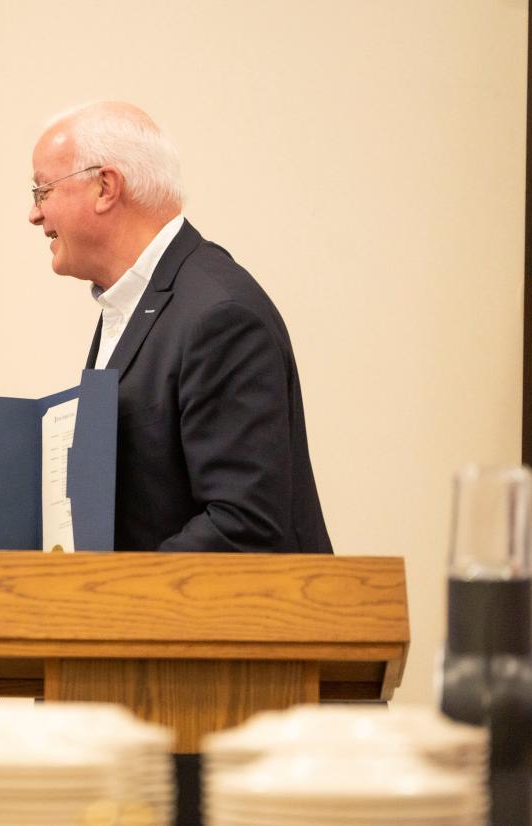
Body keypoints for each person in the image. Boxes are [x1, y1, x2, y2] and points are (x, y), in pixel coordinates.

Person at [29, 101, 332, 555]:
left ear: (105, 187)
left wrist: (107, 593)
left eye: (42, 191)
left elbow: (244, 525)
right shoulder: (134, 304)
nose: (34, 215)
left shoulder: (220, 316)